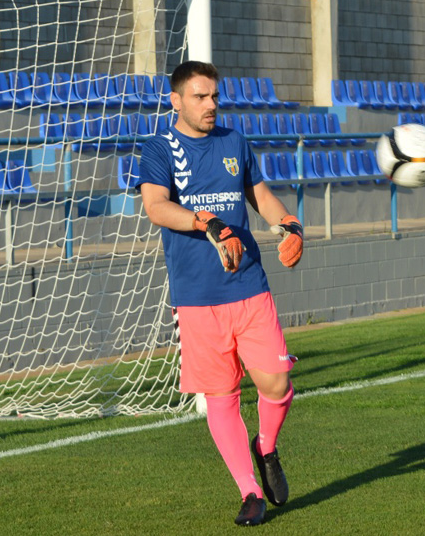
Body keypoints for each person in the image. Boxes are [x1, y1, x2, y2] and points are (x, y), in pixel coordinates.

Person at [136, 61, 303, 526]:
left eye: (214, 96)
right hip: (197, 296)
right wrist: (206, 222)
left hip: (249, 284)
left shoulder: (234, 142)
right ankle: (250, 491)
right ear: (176, 100)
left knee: (275, 383)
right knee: (221, 393)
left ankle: (265, 447)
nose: (211, 105)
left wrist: (288, 223)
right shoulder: (158, 149)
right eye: (200, 97)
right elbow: (155, 206)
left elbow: (261, 195)